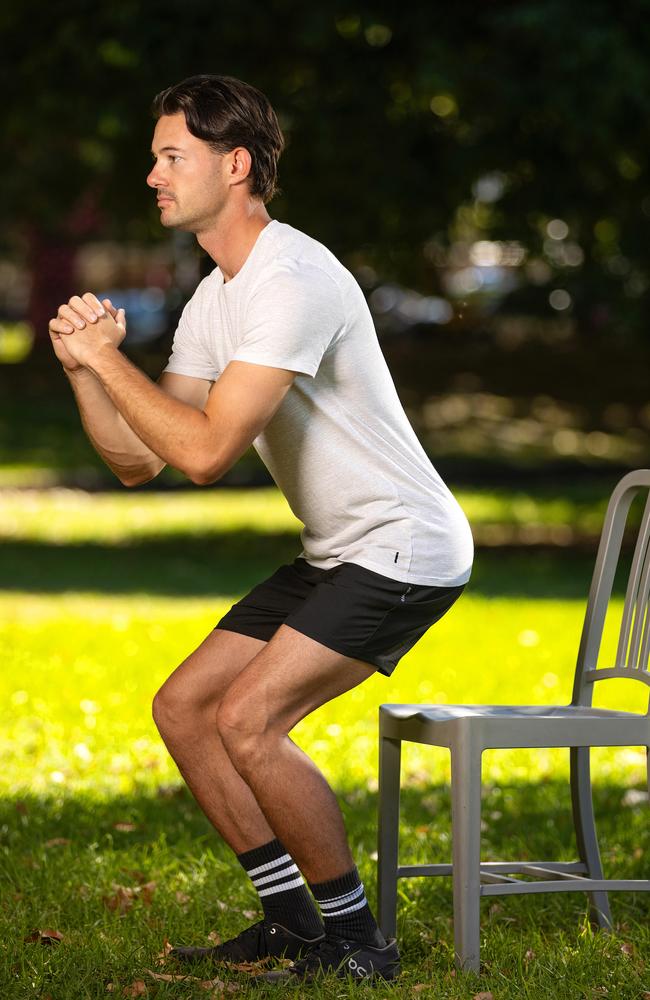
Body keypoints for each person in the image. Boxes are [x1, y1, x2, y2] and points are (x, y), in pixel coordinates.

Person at [48, 74, 474, 985]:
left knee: (248, 719)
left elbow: (205, 454)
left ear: (234, 164)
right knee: (185, 709)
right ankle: (289, 919)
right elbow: (141, 461)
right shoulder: (217, 296)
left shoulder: (292, 278)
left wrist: (109, 358)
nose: (153, 176)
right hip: (338, 550)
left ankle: (360, 941)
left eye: (172, 157)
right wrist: (88, 374)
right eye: (155, 158)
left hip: (406, 545)